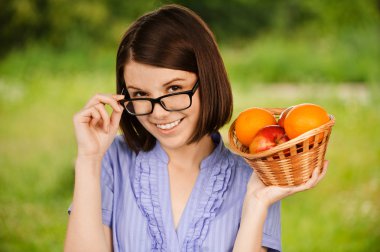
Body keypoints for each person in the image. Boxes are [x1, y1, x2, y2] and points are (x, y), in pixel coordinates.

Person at [64, 4, 328, 252]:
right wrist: (89, 159)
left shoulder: (255, 177)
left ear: (208, 80)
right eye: (140, 94)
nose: (158, 112)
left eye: (174, 88)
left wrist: (257, 204)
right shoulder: (112, 161)